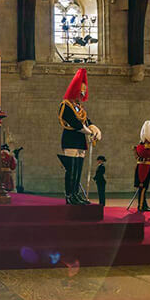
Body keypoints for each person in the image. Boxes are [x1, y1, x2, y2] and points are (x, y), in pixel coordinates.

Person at [58, 68, 101, 204]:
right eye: (80, 92)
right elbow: (75, 123)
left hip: (80, 141)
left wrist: (95, 129)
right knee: (71, 170)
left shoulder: (79, 108)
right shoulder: (65, 105)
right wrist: (88, 131)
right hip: (70, 139)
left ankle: (76, 193)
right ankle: (69, 195)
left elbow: (87, 121)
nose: (82, 95)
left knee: (78, 170)